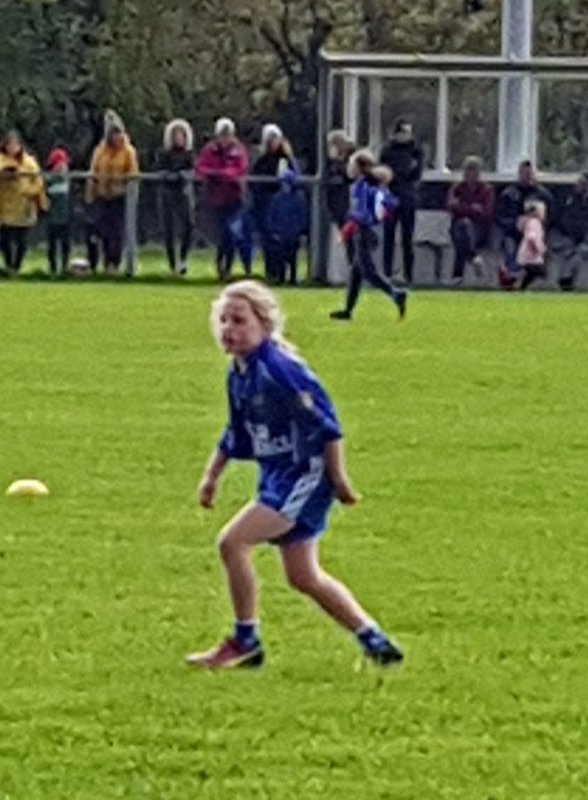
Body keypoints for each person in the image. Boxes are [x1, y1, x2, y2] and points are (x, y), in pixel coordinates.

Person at [186, 280, 404, 670]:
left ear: (264, 325)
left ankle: (245, 641)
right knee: (303, 576)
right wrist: (211, 477)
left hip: (303, 476)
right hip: (277, 477)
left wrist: (338, 481)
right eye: (222, 320)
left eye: (239, 320)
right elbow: (235, 433)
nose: (228, 329)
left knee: (231, 543)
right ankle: (374, 639)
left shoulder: (279, 370)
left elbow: (327, 427)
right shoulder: (239, 373)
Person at [329, 152, 406, 321]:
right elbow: (391, 204)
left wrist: (347, 230)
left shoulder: (360, 186)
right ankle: (348, 310)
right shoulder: (377, 186)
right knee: (356, 273)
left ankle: (396, 294)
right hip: (373, 230)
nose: (349, 168)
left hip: (363, 231)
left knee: (370, 273)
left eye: (352, 165)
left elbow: (360, 213)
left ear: (360, 168)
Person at [195, 117, 249, 280]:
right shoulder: (210, 150)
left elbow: (239, 169)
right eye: (222, 135)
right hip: (216, 199)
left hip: (234, 198)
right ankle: (221, 264)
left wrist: (222, 173)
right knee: (222, 234)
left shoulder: (238, 150)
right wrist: (216, 173)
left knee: (231, 232)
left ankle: (227, 266)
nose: (225, 138)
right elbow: (201, 167)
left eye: (228, 135)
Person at [85, 110, 139, 274]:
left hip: (119, 197)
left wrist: (132, 196)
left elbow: (133, 174)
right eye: (112, 132)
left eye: (118, 132)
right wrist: (90, 193)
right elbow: (93, 171)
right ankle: (99, 261)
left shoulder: (128, 151)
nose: (115, 136)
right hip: (102, 196)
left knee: (116, 232)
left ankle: (113, 263)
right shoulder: (100, 151)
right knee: (100, 230)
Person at [0, 131, 48, 275]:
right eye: (9, 144)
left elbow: (38, 181)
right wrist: (5, 171)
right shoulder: (0, 160)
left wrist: (31, 193)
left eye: (15, 144)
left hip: (24, 206)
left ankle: (17, 266)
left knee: (22, 239)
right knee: (5, 238)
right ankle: (8, 265)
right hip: (5, 205)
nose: (12, 147)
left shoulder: (29, 162)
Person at [496, 160, 554, 288]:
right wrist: (516, 223)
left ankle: (514, 277)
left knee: (532, 245)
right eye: (524, 173)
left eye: (529, 173)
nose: (526, 176)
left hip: (535, 234)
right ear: (519, 174)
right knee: (510, 247)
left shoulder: (543, 195)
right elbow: (500, 216)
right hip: (513, 233)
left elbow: (552, 217)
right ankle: (510, 276)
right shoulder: (509, 194)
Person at [250, 124, 298, 280]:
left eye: (275, 138)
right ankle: (271, 271)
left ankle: (285, 273)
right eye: (269, 139)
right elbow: (254, 179)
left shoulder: (286, 159)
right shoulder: (261, 160)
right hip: (264, 203)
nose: (272, 142)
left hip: (283, 206)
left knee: (284, 241)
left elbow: (294, 177)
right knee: (267, 239)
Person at [379, 119, 423, 284]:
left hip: (408, 197)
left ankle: (408, 274)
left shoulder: (416, 151)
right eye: (402, 132)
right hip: (390, 196)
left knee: (407, 237)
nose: (405, 136)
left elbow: (416, 174)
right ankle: (387, 273)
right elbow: (382, 172)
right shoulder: (387, 150)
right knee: (388, 235)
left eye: (408, 132)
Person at [445, 156, 495, 285]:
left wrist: (462, 206)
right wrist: (472, 207)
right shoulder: (457, 188)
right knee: (463, 227)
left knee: (464, 229)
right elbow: (450, 206)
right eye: (468, 170)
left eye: (474, 170)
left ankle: (457, 275)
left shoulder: (487, 190)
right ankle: (473, 257)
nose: (470, 173)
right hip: (457, 228)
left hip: (479, 230)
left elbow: (486, 213)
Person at [156, 118, 195, 275]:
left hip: (184, 192)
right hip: (167, 193)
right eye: (175, 134)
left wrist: (183, 175)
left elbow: (194, 170)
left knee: (189, 225)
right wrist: (167, 175)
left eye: (181, 134)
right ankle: (173, 264)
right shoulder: (163, 154)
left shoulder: (189, 155)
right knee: (169, 229)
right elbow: (158, 171)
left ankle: (184, 259)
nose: (178, 137)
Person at [263, 168, 307, 285]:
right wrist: (273, 230)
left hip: (294, 233)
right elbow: (272, 215)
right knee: (280, 257)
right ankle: (281, 277)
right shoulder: (277, 198)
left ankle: (292, 278)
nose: (284, 186)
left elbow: (303, 216)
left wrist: (302, 232)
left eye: (286, 183)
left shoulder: (298, 199)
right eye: (282, 183)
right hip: (281, 233)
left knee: (292, 257)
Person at [44, 147, 72, 277]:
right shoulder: (48, 181)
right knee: (52, 245)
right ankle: (53, 267)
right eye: (58, 164)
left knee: (66, 243)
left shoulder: (68, 180)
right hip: (52, 218)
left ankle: (65, 266)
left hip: (66, 218)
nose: (61, 167)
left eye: (63, 164)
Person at [516, 200, 548, 290]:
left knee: (532, 273)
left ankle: (522, 287)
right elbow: (532, 238)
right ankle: (516, 281)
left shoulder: (530, 222)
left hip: (528, 254)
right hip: (530, 255)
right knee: (540, 272)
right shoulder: (534, 223)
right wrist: (541, 249)